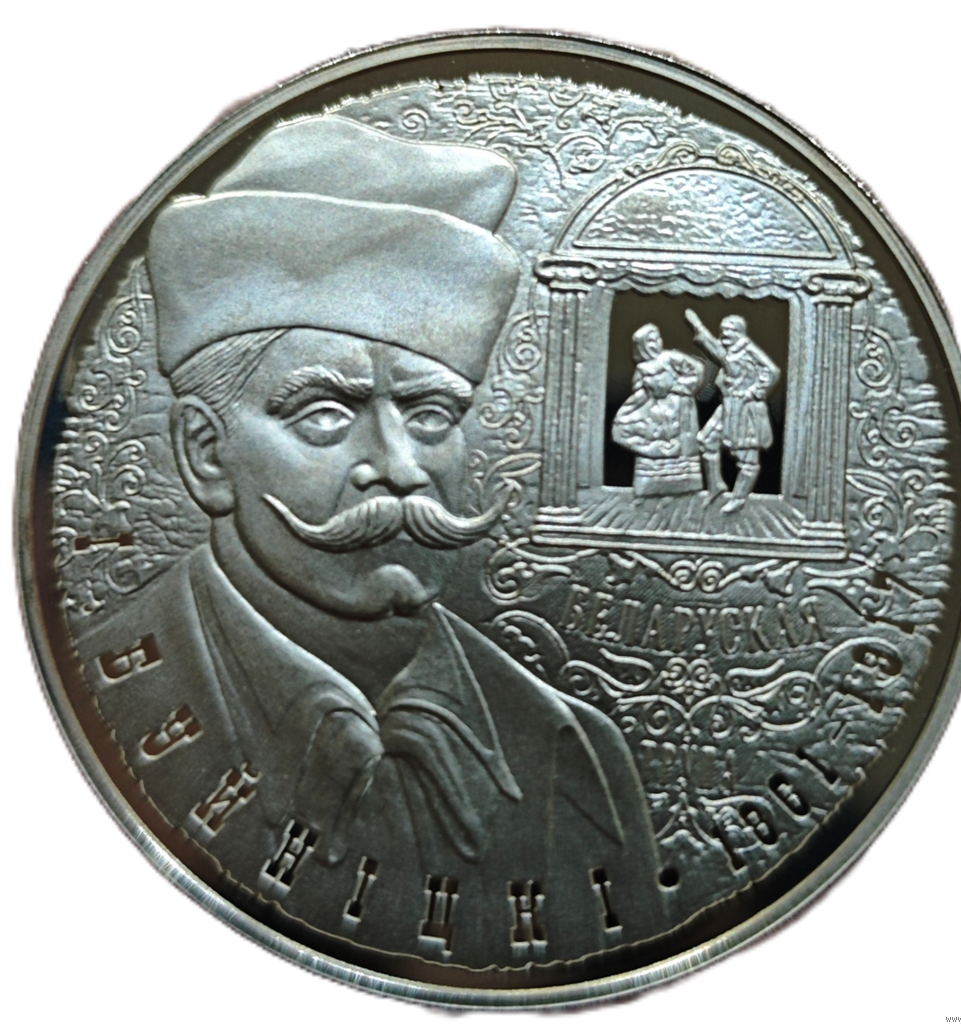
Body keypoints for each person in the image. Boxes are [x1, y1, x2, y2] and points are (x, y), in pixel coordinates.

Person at [74, 116, 669, 970]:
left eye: (430, 416)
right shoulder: (99, 702)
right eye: (325, 415)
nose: (399, 468)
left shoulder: (575, 754)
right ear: (205, 454)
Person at [685, 310, 780, 513]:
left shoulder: (749, 351)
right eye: (722, 330)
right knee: (706, 440)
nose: (724, 334)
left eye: (728, 330)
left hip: (746, 409)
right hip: (728, 405)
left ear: (739, 332)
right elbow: (713, 347)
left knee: (747, 457)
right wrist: (697, 326)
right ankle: (716, 485)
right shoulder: (730, 352)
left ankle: (739, 498)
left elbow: (772, 371)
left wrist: (753, 392)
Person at [612, 323, 706, 496]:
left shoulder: (670, 357)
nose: (655, 344)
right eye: (649, 341)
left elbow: (697, 370)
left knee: (681, 448)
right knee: (624, 426)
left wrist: (676, 387)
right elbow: (638, 390)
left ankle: (685, 481)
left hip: (679, 409)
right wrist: (649, 389)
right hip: (654, 412)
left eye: (657, 339)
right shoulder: (641, 369)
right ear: (641, 347)